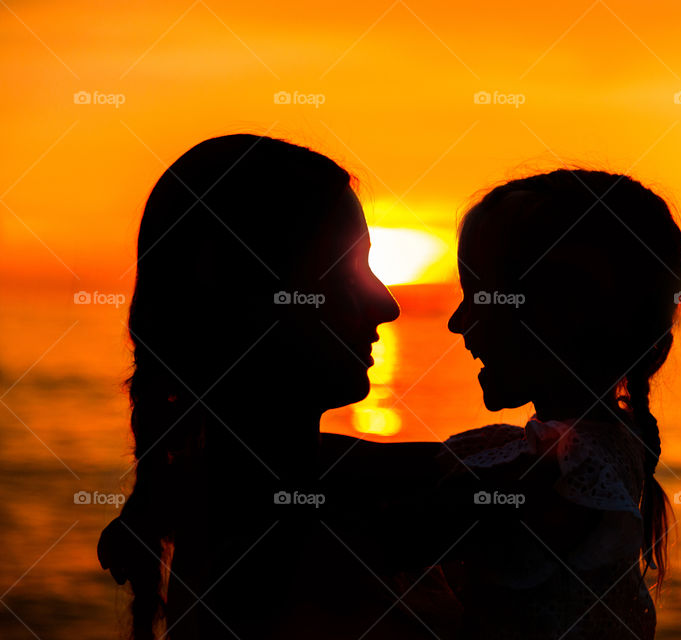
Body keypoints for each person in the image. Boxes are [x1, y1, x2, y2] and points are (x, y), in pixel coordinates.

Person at [97, 134, 457, 640]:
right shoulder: (297, 560)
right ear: (243, 296)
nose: (386, 305)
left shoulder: (223, 501)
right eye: (343, 270)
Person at [439, 169, 681, 639]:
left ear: (557, 316)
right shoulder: (613, 442)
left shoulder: (563, 473)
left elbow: (411, 526)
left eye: (478, 297)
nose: (456, 323)